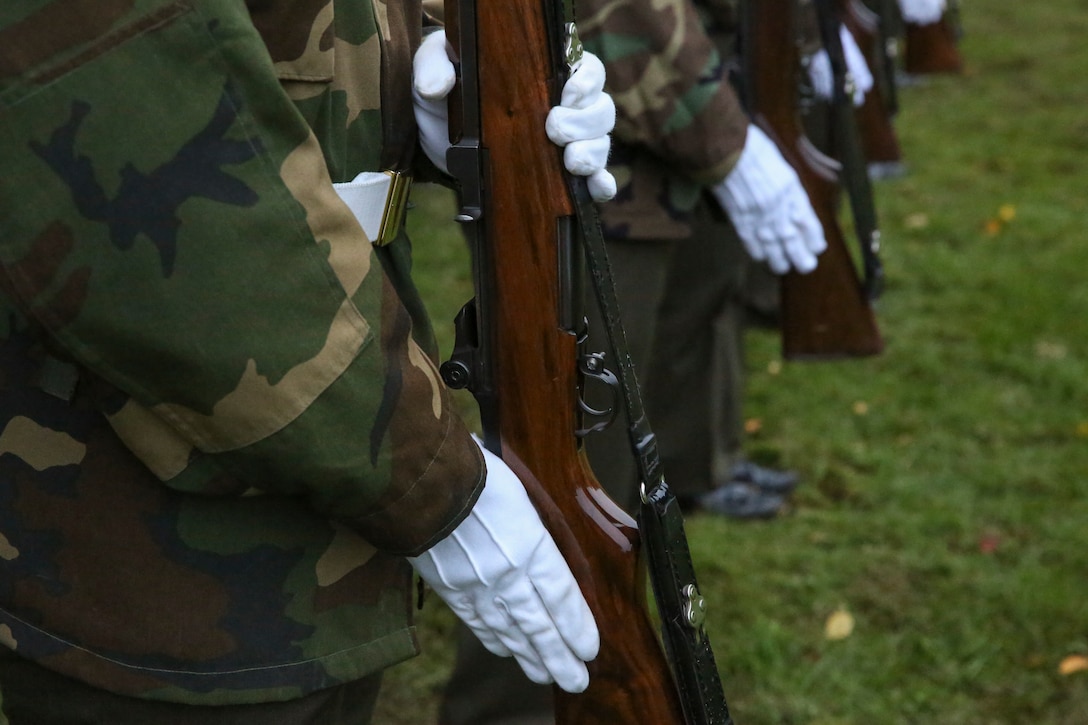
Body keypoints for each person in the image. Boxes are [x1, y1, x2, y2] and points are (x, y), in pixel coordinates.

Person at [0, 1, 616, 722]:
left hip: (333, 488)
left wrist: (431, 85)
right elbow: (148, 170)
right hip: (156, 555)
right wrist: (424, 474)